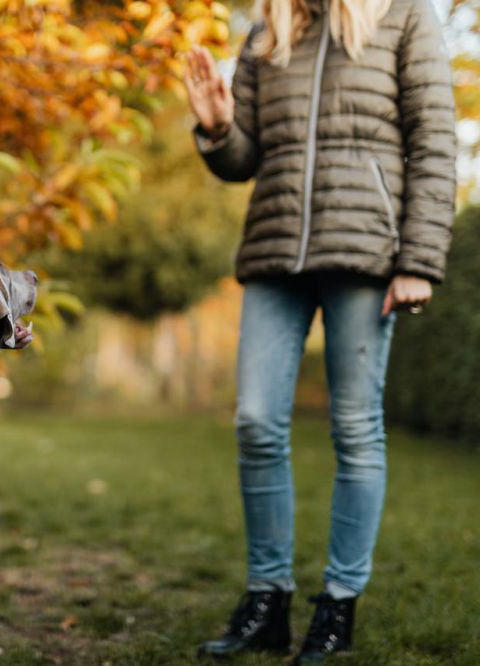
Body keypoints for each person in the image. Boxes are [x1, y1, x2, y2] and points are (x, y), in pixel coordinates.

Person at [183, 0, 455, 662]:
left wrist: (418, 260)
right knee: (254, 421)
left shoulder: (403, 16)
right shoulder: (270, 26)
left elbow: (435, 138)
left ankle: (337, 607)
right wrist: (218, 127)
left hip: (367, 250)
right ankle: (267, 600)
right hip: (275, 252)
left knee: (356, 429)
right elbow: (244, 159)